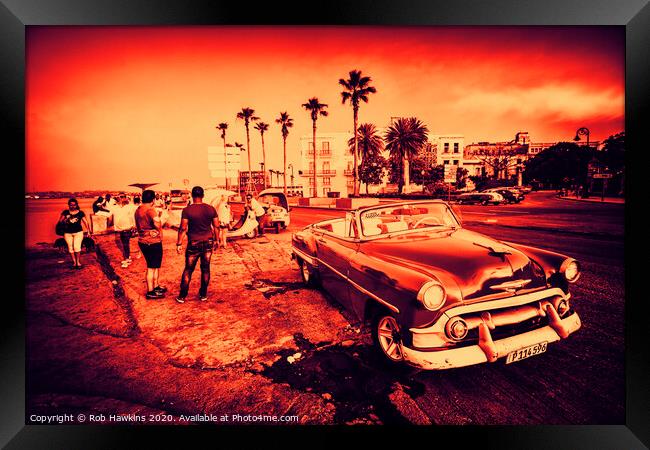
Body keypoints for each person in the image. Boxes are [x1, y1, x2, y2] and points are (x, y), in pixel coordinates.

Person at [175, 186, 220, 303]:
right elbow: (216, 226)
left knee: (188, 269)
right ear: (203, 195)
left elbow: (183, 229)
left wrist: (179, 243)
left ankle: (182, 296)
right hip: (208, 242)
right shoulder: (211, 209)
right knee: (205, 269)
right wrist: (217, 240)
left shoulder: (187, 210)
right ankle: (203, 294)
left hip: (193, 243)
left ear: (192, 196)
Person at [135, 189, 166, 300]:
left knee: (155, 265)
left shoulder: (138, 209)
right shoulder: (150, 210)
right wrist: (160, 225)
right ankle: (150, 291)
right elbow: (157, 223)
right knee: (152, 267)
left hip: (142, 240)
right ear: (153, 200)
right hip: (152, 241)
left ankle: (156, 286)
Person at [58, 197, 93, 269]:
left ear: (76, 205)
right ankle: (74, 262)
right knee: (70, 248)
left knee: (77, 247)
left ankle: (78, 262)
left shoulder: (80, 213)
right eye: (71, 205)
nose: (72, 206)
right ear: (68, 205)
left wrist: (88, 231)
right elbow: (60, 222)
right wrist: (66, 219)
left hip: (78, 232)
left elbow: (85, 222)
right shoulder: (65, 212)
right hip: (67, 233)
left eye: (74, 205)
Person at [113, 194, 137, 268]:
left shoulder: (129, 207)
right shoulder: (116, 208)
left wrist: (134, 226)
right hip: (120, 229)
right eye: (119, 197)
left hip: (127, 228)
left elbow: (133, 217)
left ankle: (127, 259)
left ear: (126, 198)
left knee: (126, 244)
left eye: (123, 197)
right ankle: (128, 257)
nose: (121, 198)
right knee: (124, 244)